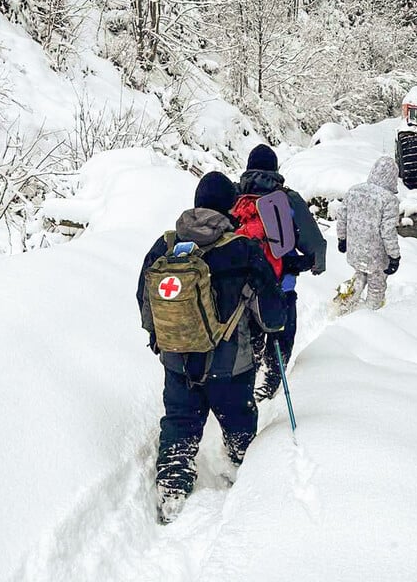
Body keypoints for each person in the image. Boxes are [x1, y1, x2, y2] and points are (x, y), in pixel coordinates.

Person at [137, 171, 287, 524]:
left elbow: (145, 300)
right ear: (230, 205)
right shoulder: (243, 248)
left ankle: (173, 488)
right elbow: (272, 314)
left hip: (177, 360)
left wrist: (162, 341)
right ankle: (242, 470)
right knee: (238, 421)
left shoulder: (165, 245)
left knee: (180, 421)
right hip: (231, 364)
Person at [234, 144, 327, 402]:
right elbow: (315, 244)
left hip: (242, 289)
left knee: (249, 337)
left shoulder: (236, 196)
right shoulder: (287, 199)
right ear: (275, 169)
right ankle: (271, 383)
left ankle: (246, 378)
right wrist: (315, 265)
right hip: (280, 286)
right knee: (282, 336)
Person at [335, 155, 401, 311]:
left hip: (356, 249)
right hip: (377, 255)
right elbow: (388, 231)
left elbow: (342, 217)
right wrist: (394, 256)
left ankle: (342, 300)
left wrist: (342, 239)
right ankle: (369, 314)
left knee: (359, 274)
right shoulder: (389, 200)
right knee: (376, 286)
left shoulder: (354, 191)